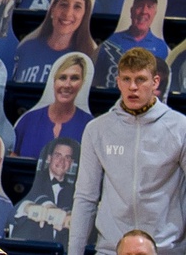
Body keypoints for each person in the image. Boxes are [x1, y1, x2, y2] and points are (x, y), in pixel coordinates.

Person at [69, 47, 186, 255]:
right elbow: (86, 197)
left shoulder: (180, 127)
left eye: (140, 79)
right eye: (126, 79)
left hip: (167, 248)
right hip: (111, 248)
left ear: (155, 83)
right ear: (118, 82)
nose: (133, 87)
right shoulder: (97, 130)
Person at [14, 0, 97, 84]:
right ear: (53, 9)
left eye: (77, 6)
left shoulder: (89, 58)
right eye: (64, 4)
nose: (68, 13)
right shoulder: (26, 49)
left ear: (85, 15)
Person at [13, 53, 94, 158]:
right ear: (54, 81)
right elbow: (13, 160)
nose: (67, 85)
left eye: (74, 78)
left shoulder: (90, 126)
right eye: (62, 78)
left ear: (82, 83)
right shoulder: (28, 120)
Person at [95, 0, 170, 88]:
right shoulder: (110, 42)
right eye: (140, 5)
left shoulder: (161, 47)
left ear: (155, 13)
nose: (144, 11)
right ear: (131, 10)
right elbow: (96, 80)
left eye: (149, 6)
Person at [8, 137, 78, 244]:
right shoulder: (31, 179)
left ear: (71, 162)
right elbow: (13, 212)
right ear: (49, 158)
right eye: (58, 155)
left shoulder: (75, 191)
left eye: (67, 157)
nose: (62, 161)